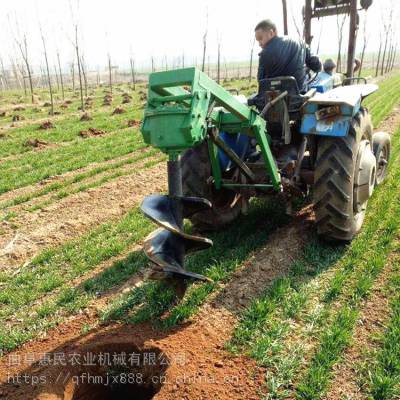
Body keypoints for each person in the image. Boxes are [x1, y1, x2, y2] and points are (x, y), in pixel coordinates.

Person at [254, 19, 321, 93]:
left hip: (275, 99)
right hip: (300, 95)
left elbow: (261, 81)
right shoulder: (300, 42)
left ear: (271, 33)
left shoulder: (264, 54)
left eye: (260, 39)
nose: (259, 44)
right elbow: (316, 63)